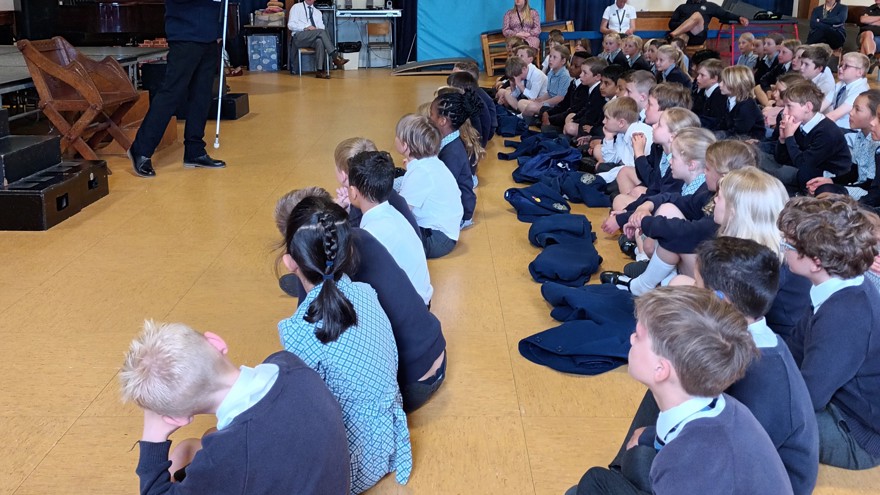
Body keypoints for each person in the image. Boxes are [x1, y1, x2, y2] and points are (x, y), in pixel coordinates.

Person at [567, 286, 793, 495]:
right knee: (610, 473)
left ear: (661, 369)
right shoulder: (724, 408)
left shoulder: (684, 463)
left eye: (638, 335)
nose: (631, 338)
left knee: (592, 483)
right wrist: (650, 436)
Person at [120, 320, 350, 494]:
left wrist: (153, 436)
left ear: (177, 418)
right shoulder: (289, 364)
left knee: (187, 453)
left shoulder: (225, 456)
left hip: (251, 461)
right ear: (216, 342)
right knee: (193, 446)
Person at [278, 200, 413, 493]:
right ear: (348, 251)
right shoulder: (366, 292)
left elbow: (305, 409)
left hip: (350, 465)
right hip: (390, 442)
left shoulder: (296, 330)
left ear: (290, 262)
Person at [274, 189, 447, 413]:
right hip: (437, 354)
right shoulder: (361, 237)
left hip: (411, 387)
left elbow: (310, 330)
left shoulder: (323, 281)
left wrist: (302, 278)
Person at [777, 196, 880, 470]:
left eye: (786, 244)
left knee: (751, 418)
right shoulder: (837, 287)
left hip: (856, 435)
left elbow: (809, 397)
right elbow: (794, 347)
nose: (782, 249)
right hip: (837, 404)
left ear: (816, 262)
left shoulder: (845, 316)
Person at [128, 0, 227, 178]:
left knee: (202, 95)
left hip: (210, 34)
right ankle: (141, 150)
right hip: (185, 33)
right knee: (171, 93)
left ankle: (195, 150)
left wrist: (219, 31)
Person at [347, 151, 433, 305]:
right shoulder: (392, 213)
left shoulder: (372, 233)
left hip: (409, 309)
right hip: (420, 300)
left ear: (353, 192)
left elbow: (360, 278)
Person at [395, 114, 462, 258]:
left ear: (405, 145)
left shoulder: (420, 173)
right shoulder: (430, 162)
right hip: (446, 232)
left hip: (436, 239)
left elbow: (402, 211)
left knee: (391, 236)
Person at [767, 81, 852, 192]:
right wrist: (782, 139)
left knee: (769, 170)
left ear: (807, 107)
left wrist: (789, 137)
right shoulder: (799, 123)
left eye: (789, 106)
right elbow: (781, 158)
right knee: (759, 157)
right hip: (805, 170)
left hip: (826, 177)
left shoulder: (826, 132)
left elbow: (803, 164)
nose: (785, 112)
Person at [809, 90, 880, 199]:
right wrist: (831, 181)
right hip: (859, 186)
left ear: (874, 115)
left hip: (867, 191)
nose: (850, 113)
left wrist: (838, 187)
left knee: (825, 191)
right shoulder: (860, 136)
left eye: (857, 110)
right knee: (815, 179)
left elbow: (870, 185)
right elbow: (854, 172)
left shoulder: (876, 144)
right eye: (852, 108)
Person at [431, 90, 482, 229]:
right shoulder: (449, 141)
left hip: (460, 212)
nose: (429, 119)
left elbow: (443, 188)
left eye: (431, 115)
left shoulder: (452, 153)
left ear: (442, 121)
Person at [288, 0, 348, 78]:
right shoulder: (296, 7)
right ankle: (334, 56)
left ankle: (320, 71)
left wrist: (315, 30)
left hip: (313, 36)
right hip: (299, 37)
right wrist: (305, 27)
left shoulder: (317, 12)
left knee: (320, 41)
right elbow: (290, 25)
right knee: (321, 32)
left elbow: (321, 27)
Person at [668, 0, 749, 47]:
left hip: (697, 35)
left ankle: (673, 35)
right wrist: (687, 25)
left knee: (697, 15)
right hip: (682, 35)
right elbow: (671, 24)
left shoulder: (710, 6)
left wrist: (739, 18)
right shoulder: (682, 7)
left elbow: (724, 14)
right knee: (681, 38)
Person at [715, 65, 765, 140]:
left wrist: (717, 135)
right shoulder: (728, 100)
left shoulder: (747, 106)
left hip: (749, 143)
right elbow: (722, 124)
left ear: (736, 85)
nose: (720, 84)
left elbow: (740, 132)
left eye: (724, 82)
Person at [824, 52, 870, 129]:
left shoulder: (861, 90)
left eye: (846, 66)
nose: (840, 68)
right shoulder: (841, 84)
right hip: (836, 125)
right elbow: (823, 104)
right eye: (841, 65)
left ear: (859, 72)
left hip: (849, 130)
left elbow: (834, 115)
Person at [692, 58, 725, 130]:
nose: (697, 78)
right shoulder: (702, 91)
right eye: (698, 74)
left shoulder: (719, 95)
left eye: (702, 75)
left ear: (714, 79)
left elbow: (715, 121)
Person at [858, 0, 880, 65]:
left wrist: (870, 21)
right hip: (862, 35)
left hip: (878, 38)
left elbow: (866, 20)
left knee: (865, 43)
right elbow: (863, 19)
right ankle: (870, 58)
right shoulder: (869, 9)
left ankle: (869, 57)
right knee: (868, 33)